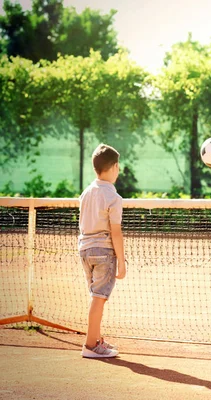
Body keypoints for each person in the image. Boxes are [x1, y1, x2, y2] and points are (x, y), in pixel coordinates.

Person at [78, 144, 126, 358]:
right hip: (103, 251)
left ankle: (96, 339)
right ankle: (90, 346)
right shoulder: (114, 197)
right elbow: (115, 231)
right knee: (99, 298)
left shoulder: (86, 192)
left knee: (96, 296)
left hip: (85, 250)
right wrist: (122, 261)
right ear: (114, 167)